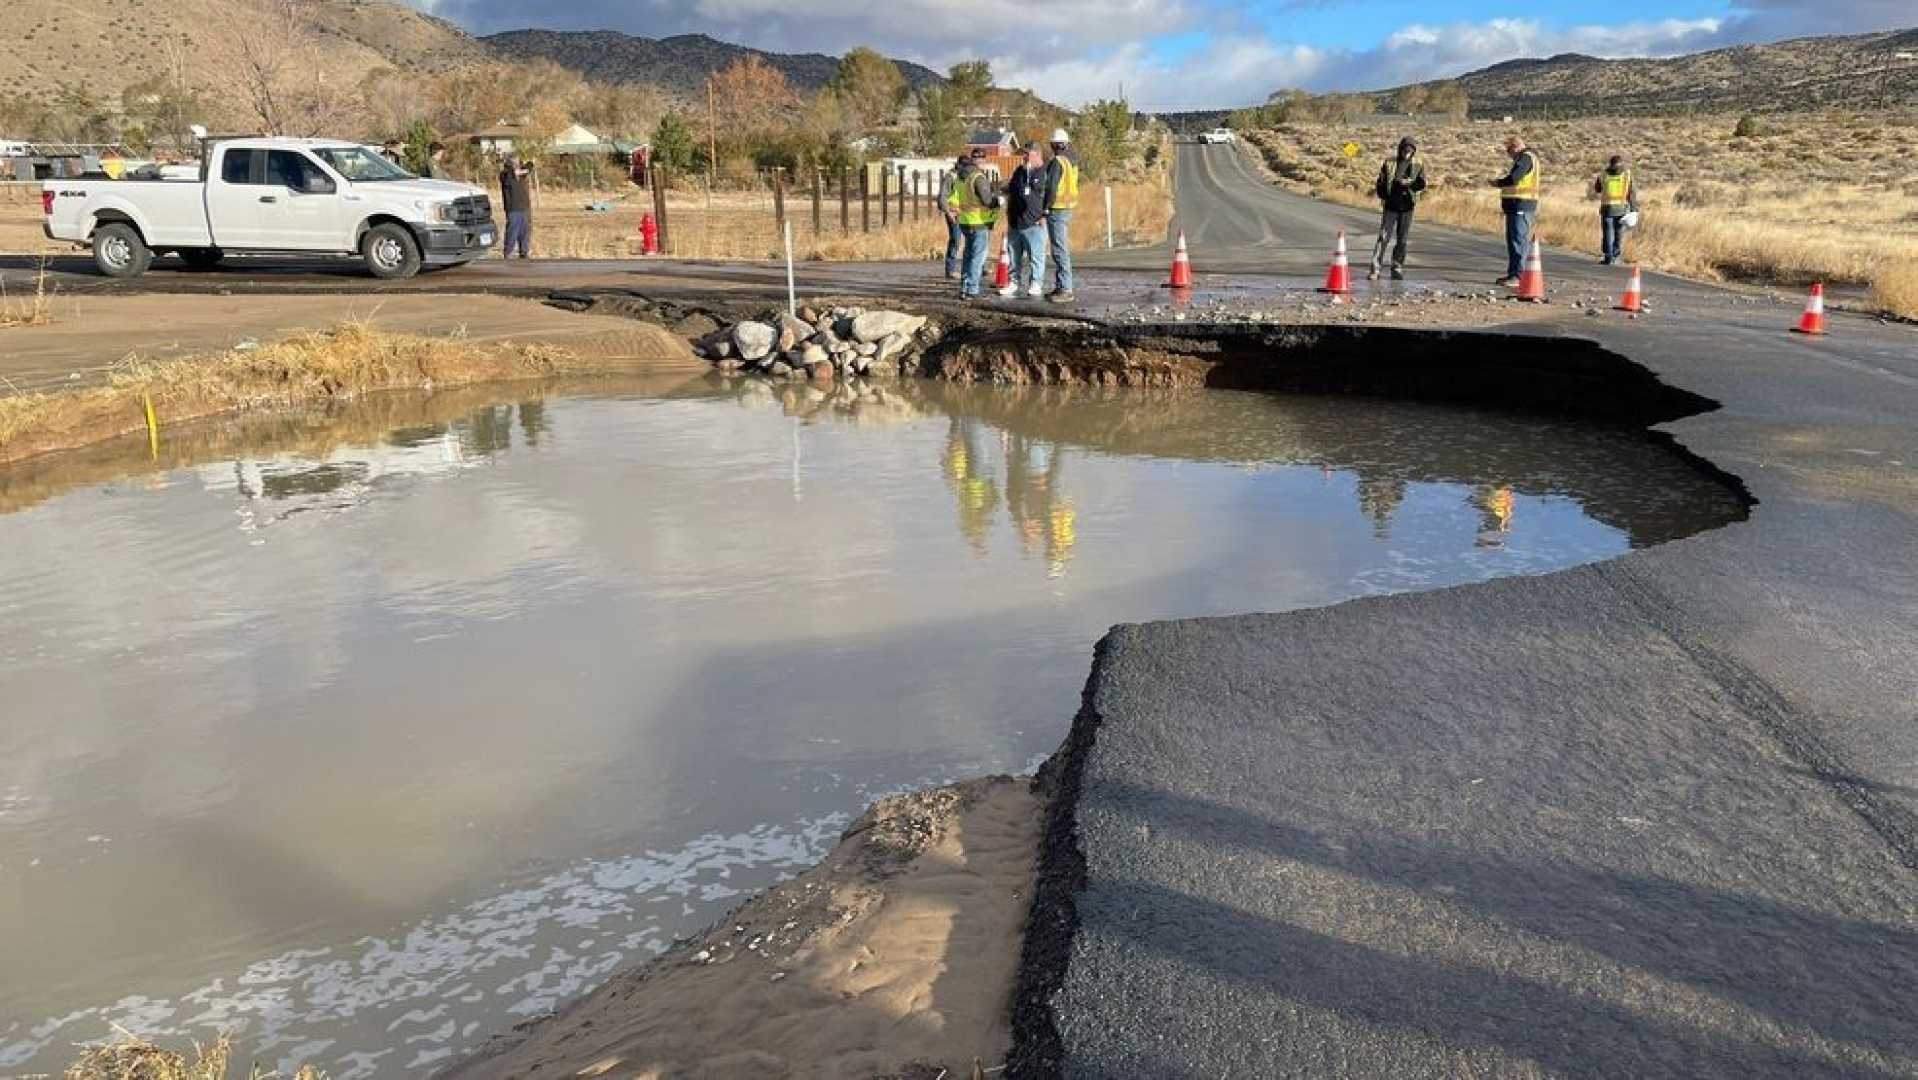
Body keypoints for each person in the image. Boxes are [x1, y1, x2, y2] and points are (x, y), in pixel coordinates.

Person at [1369, 135, 1426, 281]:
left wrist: (1410, 184)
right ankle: (1375, 269)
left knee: (1402, 239)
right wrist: (1384, 196)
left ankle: (1397, 267)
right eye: (1405, 150)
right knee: (1383, 237)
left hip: (1407, 207)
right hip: (1391, 206)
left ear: (1414, 151)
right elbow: (1380, 182)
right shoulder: (1389, 163)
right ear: (1400, 149)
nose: (1407, 153)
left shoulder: (1418, 164)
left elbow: (1422, 184)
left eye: (1410, 150)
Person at [1001, 142, 1053, 298]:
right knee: (1014, 255)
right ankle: (1014, 282)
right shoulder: (1019, 171)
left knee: (1036, 256)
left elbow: (1050, 197)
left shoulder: (1045, 172)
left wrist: (1044, 214)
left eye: (1027, 154)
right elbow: (1011, 189)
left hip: (1034, 222)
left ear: (1036, 154)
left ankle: (1036, 283)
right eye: (1023, 154)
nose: (1023, 157)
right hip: (1016, 221)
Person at [947, 152, 1001, 299]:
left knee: (968, 255)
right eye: (983, 159)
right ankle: (972, 289)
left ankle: (964, 287)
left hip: (965, 222)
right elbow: (987, 200)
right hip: (979, 222)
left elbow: (954, 199)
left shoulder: (960, 177)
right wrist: (998, 201)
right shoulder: (978, 177)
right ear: (979, 162)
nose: (984, 162)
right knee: (977, 257)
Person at [1488, 135, 1540, 286]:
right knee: (1514, 241)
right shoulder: (1525, 158)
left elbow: (1514, 178)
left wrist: (1498, 183)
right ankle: (1513, 274)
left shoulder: (1525, 158)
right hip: (1516, 205)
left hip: (1521, 205)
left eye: (1509, 151)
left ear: (1515, 147)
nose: (1509, 155)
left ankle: (1518, 276)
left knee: (1518, 240)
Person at [1043, 128, 1078, 303]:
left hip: (1057, 209)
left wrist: (1045, 207)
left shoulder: (1057, 162)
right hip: (1067, 208)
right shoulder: (1072, 160)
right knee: (1060, 248)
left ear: (1054, 145)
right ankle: (1061, 286)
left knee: (1059, 249)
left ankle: (1065, 288)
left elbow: (1051, 188)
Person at [1593, 154, 1636, 265]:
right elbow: (1631, 193)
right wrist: (1633, 209)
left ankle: (1608, 257)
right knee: (1618, 234)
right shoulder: (1627, 175)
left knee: (1608, 234)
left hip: (1607, 208)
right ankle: (1616, 256)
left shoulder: (1603, 174)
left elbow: (1597, 189)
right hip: (1622, 208)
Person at [939, 155, 969, 280]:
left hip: (966, 213)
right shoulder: (950, 177)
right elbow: (943, 197)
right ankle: (950, 270)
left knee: (971, 241)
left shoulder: (967, 176)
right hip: (954, 213)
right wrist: (948, 212)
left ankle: (968, 269)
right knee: (955, 240)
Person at [500, 155, 534, 259]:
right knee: (512, 232)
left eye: (518, 162)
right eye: (515, 163)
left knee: (525, 232)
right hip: (513, 209)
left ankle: (524, 253)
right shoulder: (505, 174)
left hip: (525, 208)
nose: (517, 164)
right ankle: (508, 253)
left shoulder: (522, 174)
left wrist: (531, 162)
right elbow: (516, 173)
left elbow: (530, 167)